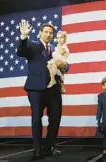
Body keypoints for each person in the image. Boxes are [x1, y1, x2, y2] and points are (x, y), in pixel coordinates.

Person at [16, 20, 69, 161]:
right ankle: (38, 150)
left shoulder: (56, 49)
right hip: (36, 89)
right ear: (40, 33)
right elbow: (20, 51)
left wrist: (63, 66)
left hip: (54, 89)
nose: (48, 35)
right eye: (46, 32)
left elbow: (65, 66)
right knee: (36, 119)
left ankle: (49, 147)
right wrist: (23, 37)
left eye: (51, 33)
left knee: (55, 119)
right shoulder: (32, 46)